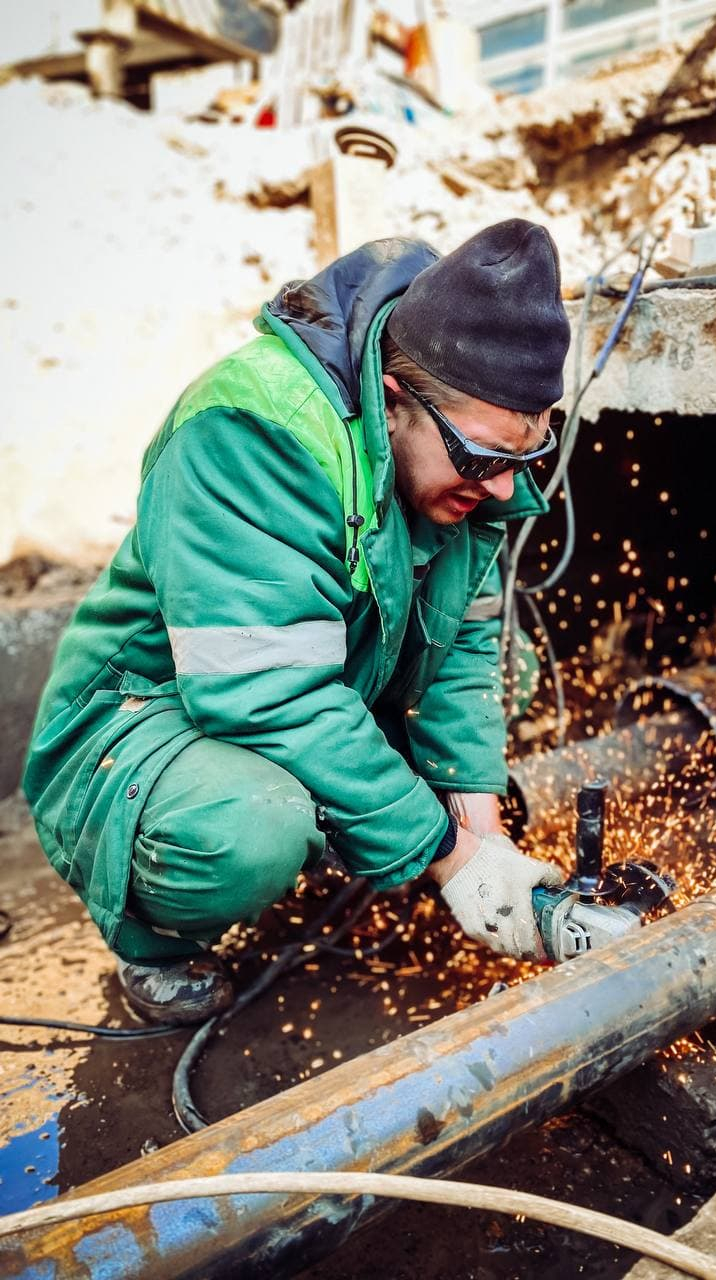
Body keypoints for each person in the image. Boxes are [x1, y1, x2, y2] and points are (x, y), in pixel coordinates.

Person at [23, 219, 569, 1025]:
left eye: (522, 461)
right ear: (395, 400)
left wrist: (481, 836)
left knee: (508, 677)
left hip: (298, 680)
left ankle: (365, 834)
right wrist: (448, 858)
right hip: (142, 717)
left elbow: (463, 646)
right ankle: (154, 937)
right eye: (486, 460)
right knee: (252, 827)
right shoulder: (253, 430)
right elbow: (269, 692)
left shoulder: (458, 449)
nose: (499, 491)